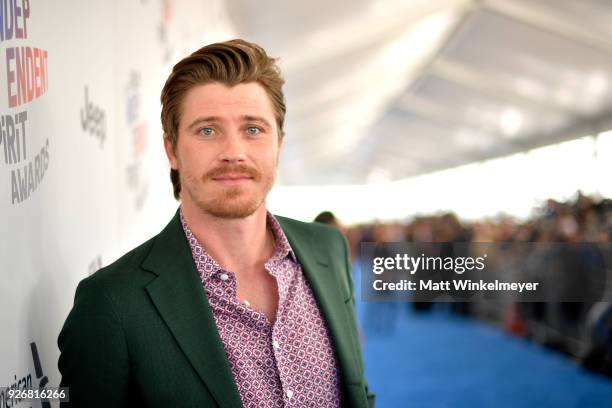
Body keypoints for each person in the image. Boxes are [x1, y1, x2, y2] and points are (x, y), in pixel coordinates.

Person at [57, 39, 374, 408]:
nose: (233, 152)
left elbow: (358, 392)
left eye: (253, 129)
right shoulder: (112, 303)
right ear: (172, 150)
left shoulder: (327, 249)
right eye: (207, 130)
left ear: (279, 144)